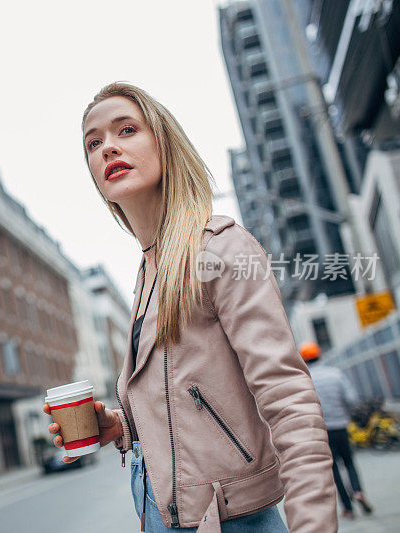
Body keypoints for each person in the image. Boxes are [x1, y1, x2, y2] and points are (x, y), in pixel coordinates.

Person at [43, 82, 337, 532]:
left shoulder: (220, 248)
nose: (108, 149)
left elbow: (288, 398)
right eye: (94, 142)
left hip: (231, 520)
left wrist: (314, 525)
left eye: (126, 130)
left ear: (165, 143)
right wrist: (124, 426)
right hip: (161, 515)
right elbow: (195, 399)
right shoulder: (148, 272)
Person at [299, 341, 373, 519]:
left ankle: (347, 508)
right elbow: (352, 399)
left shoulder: (305, 380)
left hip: (322, 431)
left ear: (303, 360)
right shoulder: (335, 374)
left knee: (334, 469)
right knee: (349, 462)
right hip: (341, 426)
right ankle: (358, 491)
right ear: (320, 354)